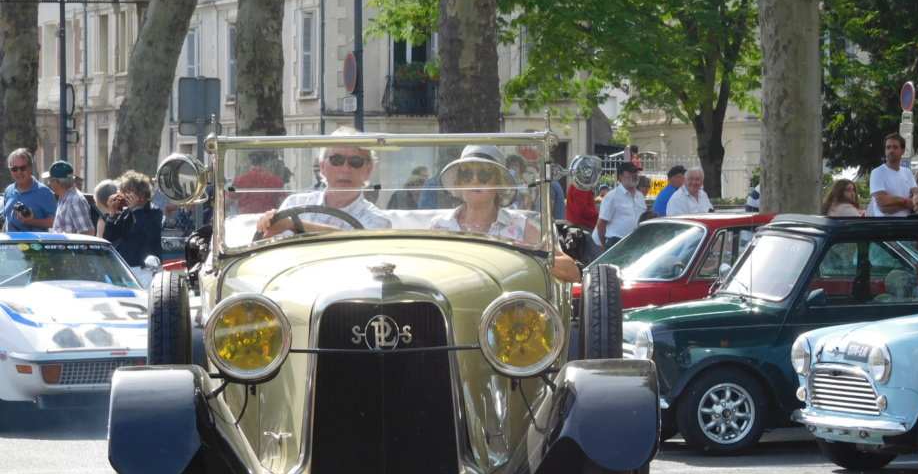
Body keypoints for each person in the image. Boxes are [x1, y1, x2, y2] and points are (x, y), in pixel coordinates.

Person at [428, 144, 579, 282]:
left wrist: (533, 256)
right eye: (467, 175)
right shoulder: (440, 226)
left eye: (484, 175)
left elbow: (573, 272)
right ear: (459, 183)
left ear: (500, 183)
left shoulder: (519, 225)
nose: (474, 180)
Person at [256, 126, 391, 237]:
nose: (345, 169)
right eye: (336, 160)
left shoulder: (379, 221)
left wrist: (294, 224)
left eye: (355, 162)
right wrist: (267, 224)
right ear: (322, 167)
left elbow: (358, 242)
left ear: (368, 171)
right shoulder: (294, 204)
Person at [102, 169, 165, 270]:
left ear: (142, 194)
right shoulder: (127, 214)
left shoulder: (154, 212)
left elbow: (153, 235)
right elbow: (110, 238)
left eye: (129, 193)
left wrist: (136, 209)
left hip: (148, 268)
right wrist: (112, 214)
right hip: (128, 268)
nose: (126, 197)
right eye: (124, 193)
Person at [588, 161, 647, 262]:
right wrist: (604, 245)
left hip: (636, 242)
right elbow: (601, 224)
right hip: (617, 243)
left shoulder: (640, 196)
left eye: (636, 173)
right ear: (621, 176)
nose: (635, 175)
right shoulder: (612, 197)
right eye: (631, 172)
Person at [2, 149, 57, 232]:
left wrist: (33, 222)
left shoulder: (44, 192)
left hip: (35, 244)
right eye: (14, 169)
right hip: (12, 244)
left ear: (31, 168)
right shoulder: (9, 191)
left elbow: (56, 221)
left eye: (23, 168)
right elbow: (7, 221)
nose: (19, 172)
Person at [866, 133, 917, 216]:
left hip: (906, 225)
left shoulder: (907, 172)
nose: (891, 150)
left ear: (903, 151)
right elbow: (884, 208)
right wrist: (908, 203)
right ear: (885, 151)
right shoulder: (877, 173)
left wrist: (896, 200)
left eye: (895, 147)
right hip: (886, 225)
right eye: (888, 147)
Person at [47, 160, 95, 235]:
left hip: (70, 246)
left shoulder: (74, 201)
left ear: (56, 182)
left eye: (49, 180)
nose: (48, 183)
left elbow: (88, 232)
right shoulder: (66, 198)